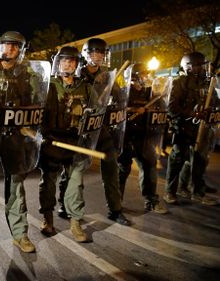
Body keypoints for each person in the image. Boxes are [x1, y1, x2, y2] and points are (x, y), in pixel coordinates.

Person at [0, 31, 44, 251]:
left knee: (15, 184)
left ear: (21, 50)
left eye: (15, 46)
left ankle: (20, 233)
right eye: (6, 45)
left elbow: (36, 102)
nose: (10, 49)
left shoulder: (27, 74)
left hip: (14, 135)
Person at [38, 46, 94, 240]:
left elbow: (97, 113)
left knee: (75, 183)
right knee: (48, 183)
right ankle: (47, 218)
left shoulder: (86, 87)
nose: (68, 64)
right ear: (58, 63)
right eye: (64, 60)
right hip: (52, 142)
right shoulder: (48, 85)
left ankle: (75, 222)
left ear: (77, 65)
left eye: (72, 61)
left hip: (75, 143)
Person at [79, 38, 131, 225]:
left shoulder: (108, 76)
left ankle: (115, 210)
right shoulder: (77, 74)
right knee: (74, 171)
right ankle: (66, 206)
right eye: (94, 53)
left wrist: (120, 99)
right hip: (82, 131)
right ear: (86, 54)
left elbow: (118, 98)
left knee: (111, 169)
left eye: (101, 53)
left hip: (103, 130)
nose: (98, 56)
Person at [164, 51, 218, 206]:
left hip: (202, 129)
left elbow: (214, 101)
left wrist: (212, 110)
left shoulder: (207, 83)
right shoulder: (179, 83)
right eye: (199, 66)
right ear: (188, 67)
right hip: (183, 128)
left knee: (199, 161)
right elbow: (171, 107)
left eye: (203, 66)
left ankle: (196, 192)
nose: (202, 69)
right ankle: (170, 191)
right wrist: (192, 113)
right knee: (178, 159)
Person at [117, 63, 168, 214]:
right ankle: (116, 201)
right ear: (134, 77)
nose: (146, 78)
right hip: (125, 136)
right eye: (143, 75)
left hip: (144, 137)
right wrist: (133, 109)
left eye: (146, 75)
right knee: (122, 169)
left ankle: (151, 200)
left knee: (149, 166)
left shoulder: (149, 93)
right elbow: (115, 110)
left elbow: (160, 108)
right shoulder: (122, 92)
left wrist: (159, 102)